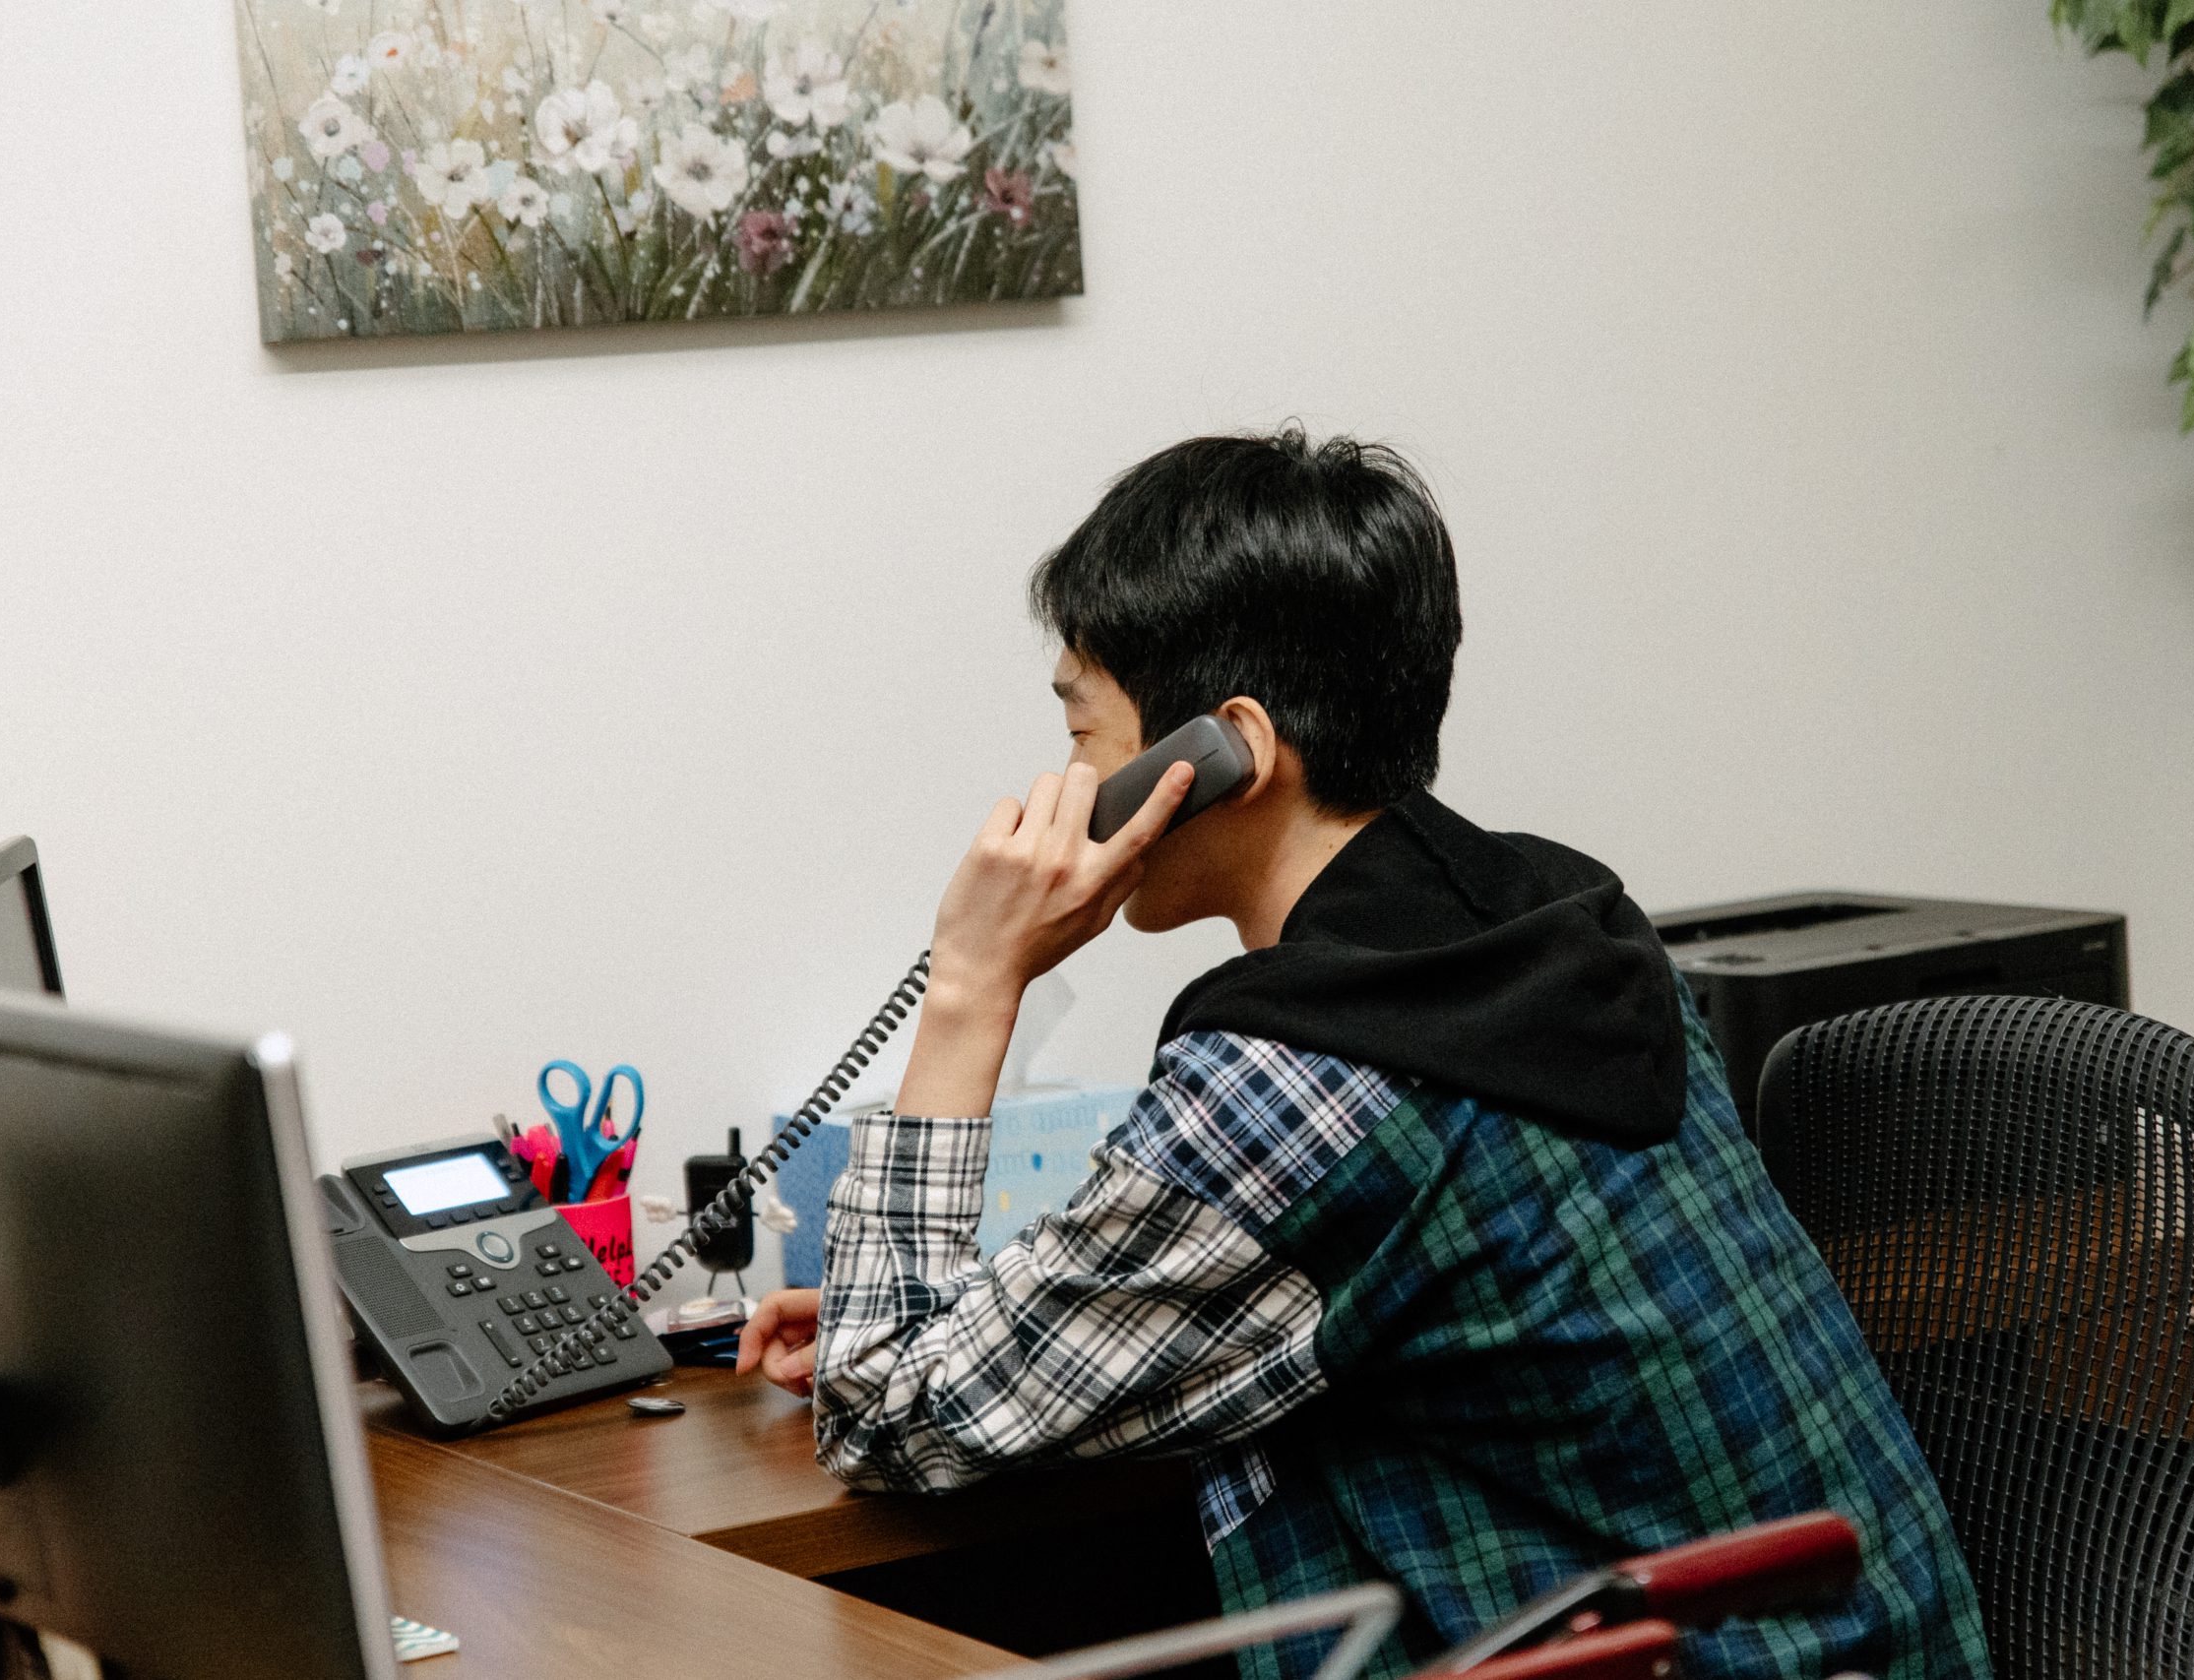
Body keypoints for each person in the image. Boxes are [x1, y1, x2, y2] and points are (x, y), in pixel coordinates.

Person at [735, 430, 1992, 1680]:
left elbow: (884, 1410)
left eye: (1082, 732)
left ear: (1224, 752)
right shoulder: (1559, 916)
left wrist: (972, 980)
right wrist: (1015, 1310)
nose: (1063, 786)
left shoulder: (1298, 1075)